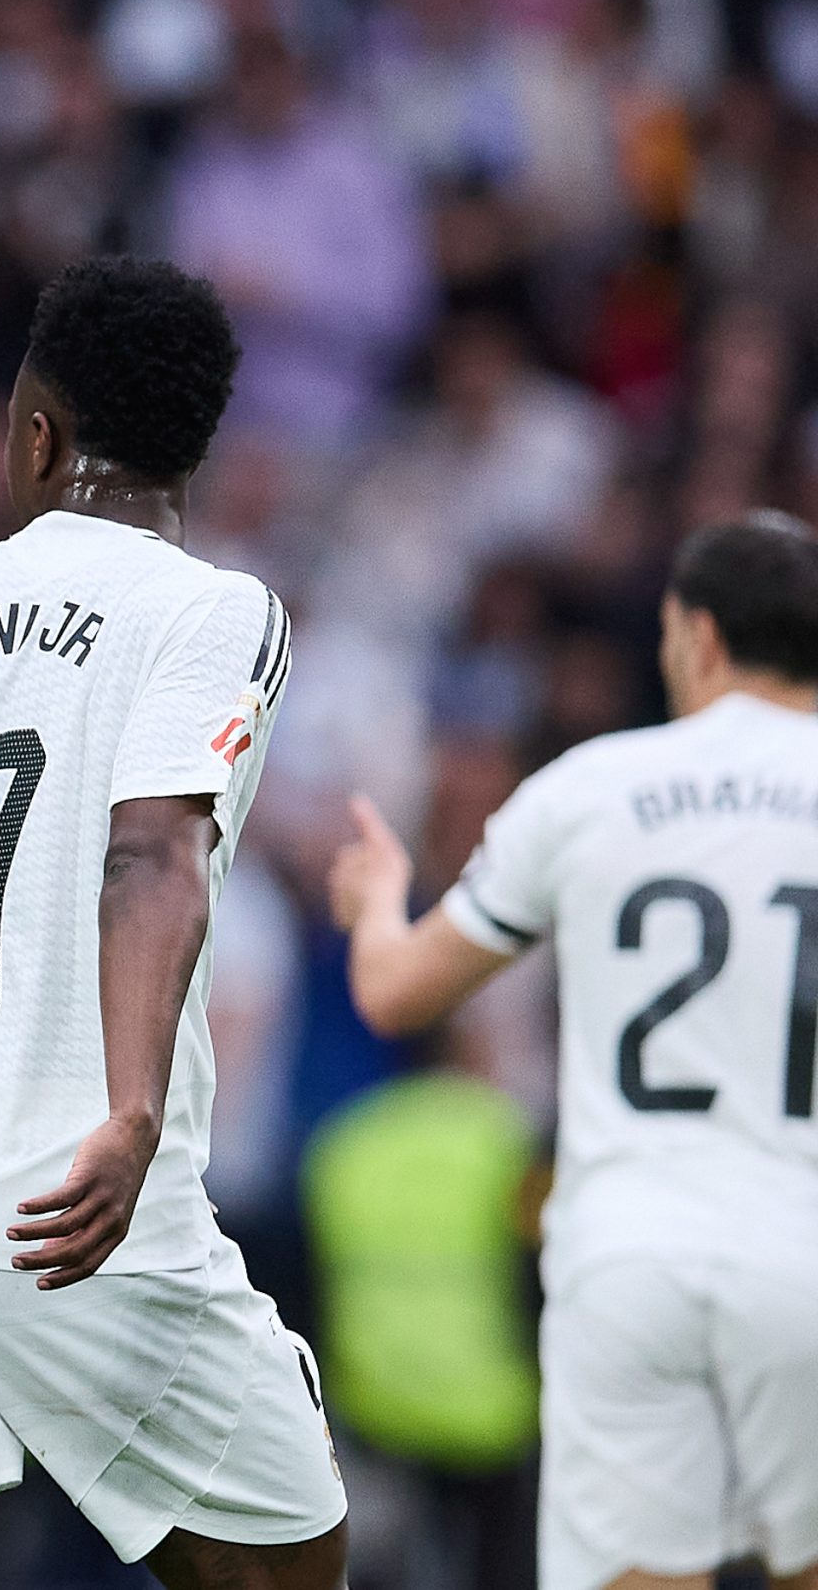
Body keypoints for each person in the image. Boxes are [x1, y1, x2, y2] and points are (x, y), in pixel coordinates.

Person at [0, 256, 348, 1590]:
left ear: (34, 432)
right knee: (294, 1554)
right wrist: (134, 1115)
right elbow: (152, 850)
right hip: (74, 1194)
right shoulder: (219, 610)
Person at [330, 512, 818, 1590]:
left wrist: (373, 899)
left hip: (626, 1253)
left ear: (693, 635)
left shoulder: (586, 788)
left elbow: (395, 992)